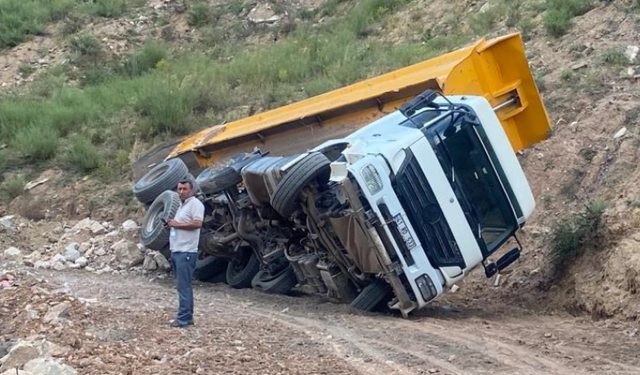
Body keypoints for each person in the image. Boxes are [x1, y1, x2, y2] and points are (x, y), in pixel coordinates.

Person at [166, 179, 204, 328]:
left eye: (184, 189)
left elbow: (197, 223)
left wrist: (177, 224)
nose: (181, 191)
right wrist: (171, 226)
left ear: (192, 190)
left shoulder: (195, 204)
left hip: (186, 252)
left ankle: (184, 319)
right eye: (179, 189)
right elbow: (182, 224)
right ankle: (186, 317)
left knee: (184, 286)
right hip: (177, 250)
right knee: (182, 286)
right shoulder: (182, 205)